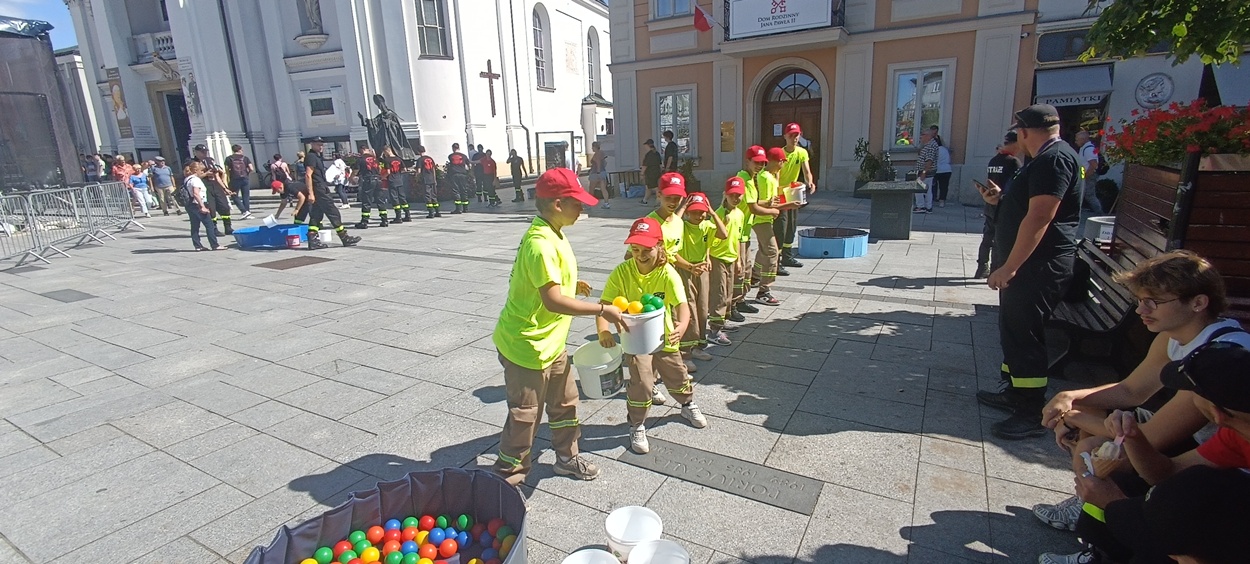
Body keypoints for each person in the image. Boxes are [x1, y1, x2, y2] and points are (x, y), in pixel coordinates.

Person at [1030, 250, 1249, 532]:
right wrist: (1069, 398)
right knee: (1088, 408)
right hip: (1205, 444)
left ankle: (1099, 523)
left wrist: (1070, 418)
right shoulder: (1175, 336)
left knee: (1098, 449)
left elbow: (1149, 437)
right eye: (1140, 301)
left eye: (1153, 302)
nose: (1140, 311)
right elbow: (1131, 391)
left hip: (1224, 463)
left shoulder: (1216, 360)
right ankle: (1090, 501)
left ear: (1198, 302)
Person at [1042, 344, 1250, 564]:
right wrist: (1133, 437)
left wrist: (1113, 502)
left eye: (1190, 391)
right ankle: (1100, 555)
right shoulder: (1235, 435)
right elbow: (1167, 473)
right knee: (1131, 485)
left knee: (1171, 524)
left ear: (1216, 413)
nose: (1185, 396)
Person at [491, 168, 620, 486]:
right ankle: (508, 481)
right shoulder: (540, 244)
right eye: (577, 202)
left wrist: (571, 283)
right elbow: (553, 302)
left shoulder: (553, 232)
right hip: (527, 347)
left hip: (552, 343)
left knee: (565, 404)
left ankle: (566, 458)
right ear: (558, 204)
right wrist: (603, 309)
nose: (583, 207)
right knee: (525, 417)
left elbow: (546, 282)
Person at [975, 104, 1082, 440]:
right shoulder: (1044, 159)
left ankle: (1031, 411)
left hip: (1037, 266)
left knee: (1025, 335)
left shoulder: (1054, 160)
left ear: (1022, 132)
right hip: (1030, 265)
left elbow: (1040, 217)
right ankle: (1015, 392)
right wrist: (999, 201)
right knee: (1014, 331)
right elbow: (1028, 207)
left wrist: (1009, 267)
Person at [599, 216, 708, 456]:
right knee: (641, 383)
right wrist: (603, 329)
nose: (640, 255)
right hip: (635, 339)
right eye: (635, 249)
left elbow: (682, 304)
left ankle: (687, 404)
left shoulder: (667, 272)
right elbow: (605, 304)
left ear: (659, 246)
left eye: (646, 249)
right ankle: (637, 424)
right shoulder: (622, 272)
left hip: (664, 337)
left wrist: (682, 325)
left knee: (677, 375)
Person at [677, 192, 727, 371]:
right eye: (694, 212)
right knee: (688, 308)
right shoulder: (681, 226)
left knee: (702, 308)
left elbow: (723, 234)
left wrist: (712, 213)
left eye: (702, 212)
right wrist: (683, 207)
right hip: (685, 269)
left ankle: (698, 345)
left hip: (702, 270)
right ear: (687, 213)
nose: (699, 216)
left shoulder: (707, 225)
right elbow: (671, 228)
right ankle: (685, 352)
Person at [706, 177, 747, 346]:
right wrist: (708, 257)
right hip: (718, 258)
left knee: (729, 292)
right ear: (725, 195)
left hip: (731, 258)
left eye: (738, 195)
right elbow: (709, 239)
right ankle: (714, 330)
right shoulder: (720, 215)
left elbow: (737, 238)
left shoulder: (740, 214)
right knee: (720, 293)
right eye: (732, 195)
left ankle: (722, 320)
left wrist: (738, 259)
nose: (735, 198)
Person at [976, 132, 1021, 279]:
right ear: (1015, 144)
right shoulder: (1013, 162)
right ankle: (995, 270)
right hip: (1003, 204)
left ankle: (981, 268)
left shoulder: (994, 160)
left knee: (987, 237)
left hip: (990, 204)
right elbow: (1016, 186)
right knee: (998, 240)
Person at [303, 137, 362, 249]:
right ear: (312, 144)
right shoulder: (311, 157)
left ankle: (312, 240)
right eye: (318, 144)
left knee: (316, 215)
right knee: (333, 212)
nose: (321, 147)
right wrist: (310, 193)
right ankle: (344, 237)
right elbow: (308, 175)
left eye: (322, 144)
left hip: (320, 188)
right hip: (319, 189)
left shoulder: (316, 156)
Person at [750, 147, 787, 307]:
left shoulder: (770, 176)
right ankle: (764, 291)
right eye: (781, 161)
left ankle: (754, 277)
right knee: (772, 252)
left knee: (764, 250)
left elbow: (773, 200)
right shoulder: (765, 177)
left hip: (765, 219)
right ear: (774, 161)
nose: (783, 165)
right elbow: (764, 202)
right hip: (761, 220)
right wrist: (776, 209)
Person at [733, 146, 768, 318]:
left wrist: (767, 203)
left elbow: (752, 202)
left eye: (762, 163)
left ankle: (740, 300)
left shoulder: (750, 178)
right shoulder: (744, 180)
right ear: (747, 161)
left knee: (746, 268)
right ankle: (731, 306)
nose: (760, 166)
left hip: (744, 232)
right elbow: (753, 207)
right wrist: (772, 211)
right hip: (736, 233)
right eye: (756, 162)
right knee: (738, 270)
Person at [777, 123, 815, 271]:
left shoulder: (802, 152)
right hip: (781, 194)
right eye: (791, 135)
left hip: (793, 194)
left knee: (792, 226)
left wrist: (809, 182)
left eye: (796, 135)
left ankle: (787, 256)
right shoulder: (780, 154)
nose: (794, 138)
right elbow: (776, 175)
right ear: (785, 136)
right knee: (781, 227)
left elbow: (807, 171)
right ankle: (776, 261)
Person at [192, 144, 235, 236]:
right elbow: (193, 177)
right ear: (196, 152)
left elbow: (217, 176)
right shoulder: (192, 163)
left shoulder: (210, 160)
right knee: (211, 208)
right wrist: (205, 174)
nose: (204, 153)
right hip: (204, 186)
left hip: (215, 185)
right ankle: (214, 229)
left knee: (224, 206)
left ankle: (228, 227)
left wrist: (225, 188)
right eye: (202, 152)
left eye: (205, 151)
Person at [180, 161, 222, 251]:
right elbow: (196, 193)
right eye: (202, 170)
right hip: (198, 204)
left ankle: (197, 245)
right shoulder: (196, 180)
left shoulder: (187, 179)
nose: (203, 172)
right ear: (196, 170)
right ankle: (215, 245)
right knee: (209, 225)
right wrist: (202, 206)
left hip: (190, 205)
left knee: (195, 225)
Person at [354, 148, 388, 228]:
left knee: (366, 201)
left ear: (362, 150)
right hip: (378, 180)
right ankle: (384, 220)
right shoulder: (375, 159)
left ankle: (364, 222)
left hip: (368, 180)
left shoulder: (361, 159)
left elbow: (356, 170)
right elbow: (380, 169)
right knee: (380, 200)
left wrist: (351, 177)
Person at [1075, 131, 1104, 215]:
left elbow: (1094, 165)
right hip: (1084, 173)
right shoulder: (1084, 148)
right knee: (1082, 193)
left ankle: (1099, 214)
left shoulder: (1088, 149)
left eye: (1077, 140)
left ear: (1083, 139)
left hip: (1089, 175)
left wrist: (1085, 176)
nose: (1076, 142)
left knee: (1089, 194)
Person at [224, 144, 255, 218]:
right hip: (245, 178)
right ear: (240, 150)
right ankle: (247, 212)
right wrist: (247, 173)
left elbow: (226, 170)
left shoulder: (228, 158)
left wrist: (228, 179)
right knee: (246, 196)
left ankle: (244, 211)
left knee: (234, 195)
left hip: (234, 179)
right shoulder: (245, 158)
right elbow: (251, 168)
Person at [913, 128, 939, 213]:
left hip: (926, 172)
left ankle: (921, 206)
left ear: (928, 136)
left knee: (919, 188)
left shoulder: (930, 146)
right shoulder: (928, 145)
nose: (921, 137)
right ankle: (928, 207)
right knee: (927, 190)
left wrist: (924, 173)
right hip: (928, 172)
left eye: (922, 135)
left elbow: (929, 161)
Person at [382, 147, 410, 222]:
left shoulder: (387, 160)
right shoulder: (399, 159)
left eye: (384, 152)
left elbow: (388, 172)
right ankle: (407, 215)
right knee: (402, 197)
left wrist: (382, 177)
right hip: (399, 180)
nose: (384, 154)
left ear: (387, 151)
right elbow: (404, 169)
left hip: (392, 181)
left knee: (394, 198)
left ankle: (398, 217)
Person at [415, 146, 441, 218]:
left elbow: (419, 171)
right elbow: (433, 169)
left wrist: (416, 177)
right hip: (432, 179)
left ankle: (431, 213)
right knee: (434, 195)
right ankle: (437, 212)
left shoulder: (420, 160)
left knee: (427, 196)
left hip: (426, 179)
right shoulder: (430, 158)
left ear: (418, 152)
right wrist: (435, 179)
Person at [447, 143, 472, 213]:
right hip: (463, 174)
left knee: (456, 191)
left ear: (453, 148)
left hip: (454, 174)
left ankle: (458, 209)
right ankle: (465, 208)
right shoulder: (464, 156)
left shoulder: (450, 156)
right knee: (464, 190)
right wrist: (468, 171)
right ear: (459, 148)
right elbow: (469, 165)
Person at [587, 141, 610, 209]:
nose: (592, 148)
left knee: (591, 189)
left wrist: (598, 171)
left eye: (592, 147)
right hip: (603, 172)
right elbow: (605, 163)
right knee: (603, 189)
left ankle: (589, 203)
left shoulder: (597, 154)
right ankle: (606, 203)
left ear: (595, 147)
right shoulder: (602, 153)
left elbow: (598, 162)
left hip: (595, 173)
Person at [640, 139, 662, 205]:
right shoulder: (657, 154)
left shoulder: (648, 155)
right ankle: (645, 200)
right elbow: (660, 164)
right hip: (657, 172)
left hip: (650, 173)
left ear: (647, 145)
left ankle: (659, 201)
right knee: (648, 187)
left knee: (655, 188)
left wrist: (642, 174)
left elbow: (645, 165)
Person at [933, 135, 952, 207]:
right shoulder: (945, 149)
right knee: (944, 186)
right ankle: (942, 201)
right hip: (947, 169)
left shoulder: (934, 150)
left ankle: (933, 199)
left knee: (933, 185)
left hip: (937, 169)